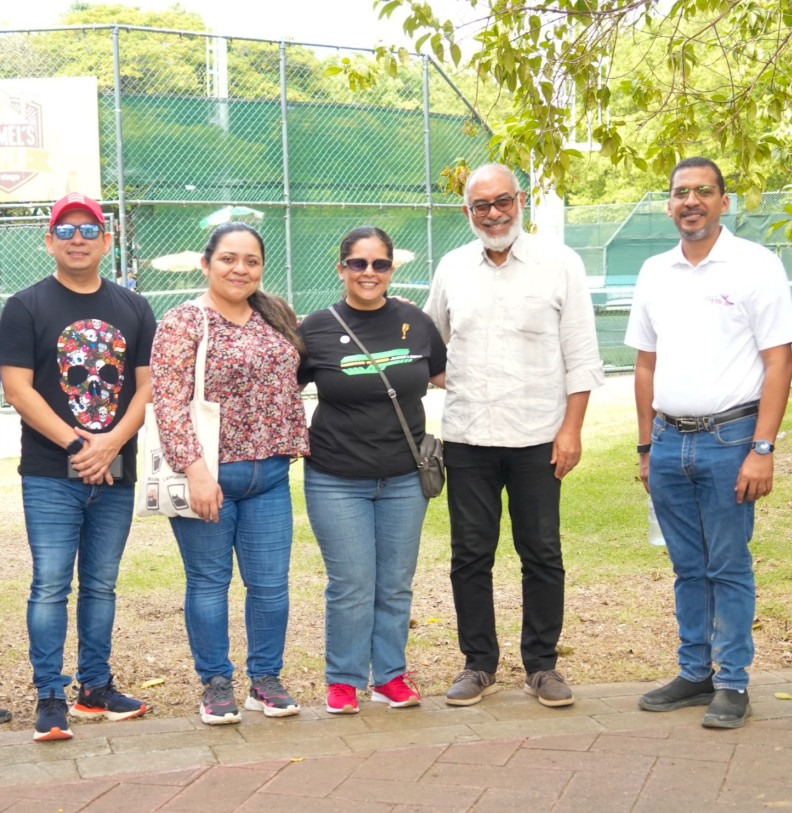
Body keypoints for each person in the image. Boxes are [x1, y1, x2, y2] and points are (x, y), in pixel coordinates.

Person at [625, 157, 792, 729]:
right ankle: (695, 672)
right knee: (686, 567)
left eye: (703, 191)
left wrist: (763, 449)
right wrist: (647, 448)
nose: (690, 201)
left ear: (725, 201)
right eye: (680, 192)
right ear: (668, 203)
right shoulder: (654, 271)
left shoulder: (755, 265)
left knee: (728, 566)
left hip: (732, 441)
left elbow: (780, 362)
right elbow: (645, 366)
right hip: (671, 443)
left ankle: (732, 682)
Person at [424, 164, 604, 708]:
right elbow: (432, 348)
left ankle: (542, 667)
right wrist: (468, 382)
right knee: (470, 556)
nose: (494, 213)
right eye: (482, 206)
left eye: (503, 201)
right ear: (467, 212)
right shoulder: (453, 267)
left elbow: (582, 356)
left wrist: (570, 430)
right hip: (468, 439)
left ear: (520, 201)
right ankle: (478, 664)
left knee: (542, 553)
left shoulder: (560, 264)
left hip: (537, 438)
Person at [0, 192, 155, 741]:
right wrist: (77, 447)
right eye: (66, 230)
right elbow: (17, 389)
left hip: (115, 470)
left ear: (106, 241)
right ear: (49, 242)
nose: (78, 239)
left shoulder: (134, 307)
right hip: (49, 472)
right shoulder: (24, 306)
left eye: (89, 229)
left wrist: (110, 444)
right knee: (49, 585)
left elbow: (146, 387)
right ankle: (49, 694)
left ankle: (95, 688)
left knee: (102, 586)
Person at [150, 222, 309, 726]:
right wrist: (195, 472)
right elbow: (168, 403)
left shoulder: (275, 314)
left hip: (271, 477)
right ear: (207, 263)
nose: (241, 269)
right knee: (209, 582)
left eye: (252, 260)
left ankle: (265, 680)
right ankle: (216, 683)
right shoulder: (184, 322)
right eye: (228, 259)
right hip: (211, 476)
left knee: (270, 585)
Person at [297, 226, 447, 714]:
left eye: (379, 264)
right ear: (341, 268)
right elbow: (281, 391)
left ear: (391, 269)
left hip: (405, 477)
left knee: (396, 581)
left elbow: (445, 374)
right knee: (352, 582)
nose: (369, 273)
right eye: (358, 264)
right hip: (336, 478)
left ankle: (389, 675)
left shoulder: (416, 322)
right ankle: (343, 679)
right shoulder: (316, 328)